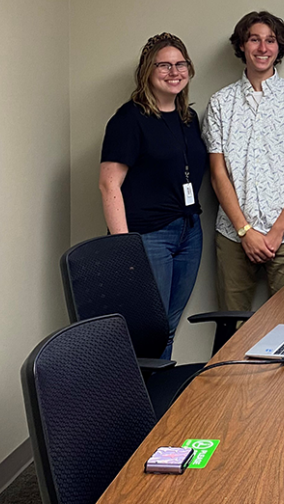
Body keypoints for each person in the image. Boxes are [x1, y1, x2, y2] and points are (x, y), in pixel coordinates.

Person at [204, 11, 284, 312]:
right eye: (254, 39)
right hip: (234, 237)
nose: (263, 48)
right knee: (231, 328)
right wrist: (245, 231)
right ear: (242, 46)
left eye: (270, 40)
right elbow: (218, 174)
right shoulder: (220, 103)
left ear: (280, 47)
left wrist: (276, 233)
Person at [99, 32, 208, 359]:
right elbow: (108, 185)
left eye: (180, 64)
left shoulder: (188, 118)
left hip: (189, 232)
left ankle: (158, 403)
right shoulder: (129, 119)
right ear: (147, 70)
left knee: (168, 327)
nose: (174, 72)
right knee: (145, 329)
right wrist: (125, 249)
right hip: (148, 237)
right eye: (164, 65)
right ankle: (135, 404)